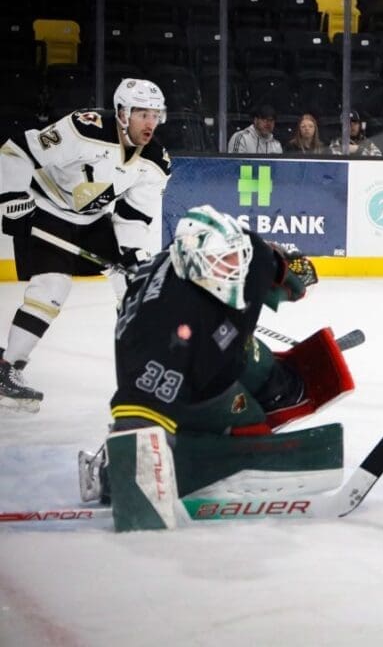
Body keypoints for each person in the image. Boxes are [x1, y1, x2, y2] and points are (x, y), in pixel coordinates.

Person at [85, 205, 351, 527]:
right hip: (189, 379)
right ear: (196, 266)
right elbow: (138, 406)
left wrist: (285, 270)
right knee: (247, 418)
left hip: (216, 347)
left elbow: (262, 253)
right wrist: (128, 468)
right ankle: (202, 459)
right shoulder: (165, 328)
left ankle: (274, 389)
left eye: (236, 259)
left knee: (255, 358)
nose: (234, 270)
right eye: (224, 264)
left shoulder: (243, 251)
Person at [0, 79, 170, 413]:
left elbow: (133, 216)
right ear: (122, 112)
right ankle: (8, 367)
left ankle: (140, 377)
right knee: (52, 286)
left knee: (132, 285)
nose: (150, 123)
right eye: (142, 114)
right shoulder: (83, 128)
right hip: (46, 208)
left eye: (155, 114)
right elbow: (18, 149)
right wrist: (11, 195)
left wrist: (133, 254)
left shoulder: (156, 161)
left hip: (92, 221)